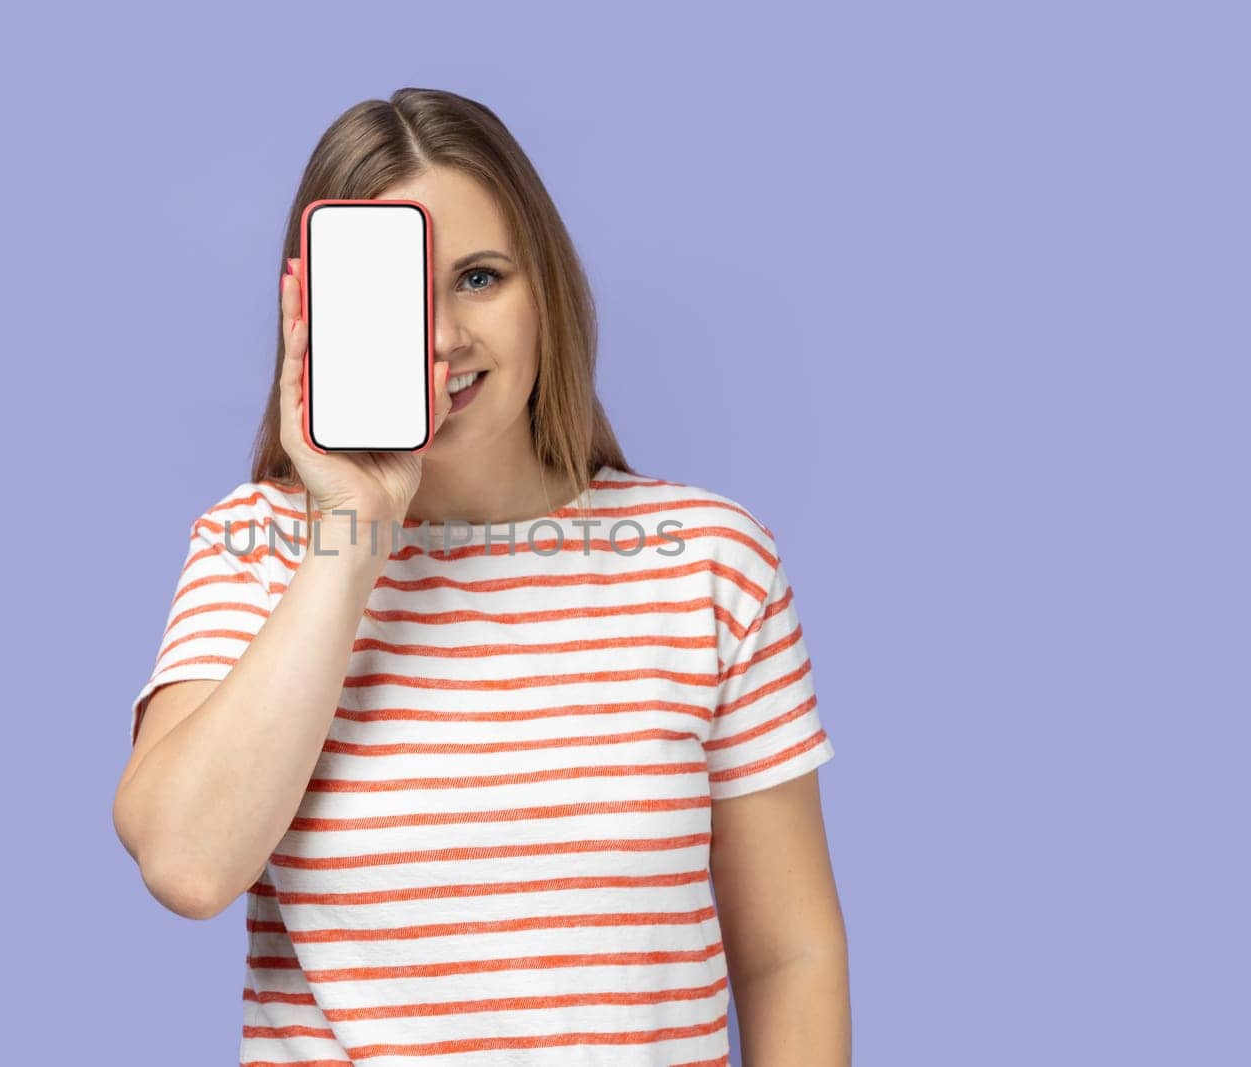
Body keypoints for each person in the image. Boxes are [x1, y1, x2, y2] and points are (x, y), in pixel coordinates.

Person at [113, 87, 850, 1067]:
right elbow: (188, 863)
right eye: (391, 292)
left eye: (478, 277)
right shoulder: (256, 548)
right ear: (315, 315)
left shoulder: (709, 559)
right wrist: (348, 535)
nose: (442, 338)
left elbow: (788, 952)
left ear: (544, 283)